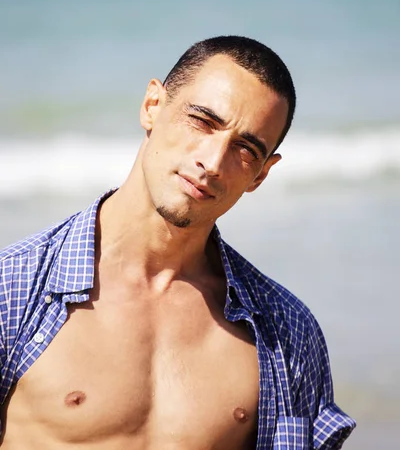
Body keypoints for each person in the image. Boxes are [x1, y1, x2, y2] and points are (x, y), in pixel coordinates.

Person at [0, 36, 355, 449]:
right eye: (203, 120)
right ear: (153, 105)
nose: (213, 161)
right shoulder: (13, 290)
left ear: (261, 174)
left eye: (246, 148)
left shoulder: (286, 334)